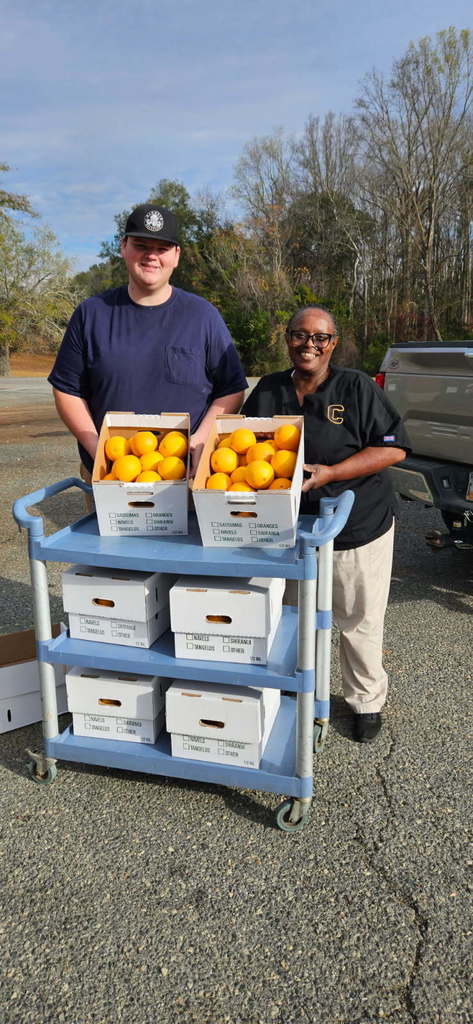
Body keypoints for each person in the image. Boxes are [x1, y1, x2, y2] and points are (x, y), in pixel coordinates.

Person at [242, 305, 411, 743]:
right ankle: (297, 688)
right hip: (286, 531)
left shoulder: (355, 387)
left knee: (358, 619)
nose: (309, 345)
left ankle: (365, 701)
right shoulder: (269, 389)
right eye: (300, 335)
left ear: (333, 343)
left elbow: (393, 449)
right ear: (287, 338)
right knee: (290, 617)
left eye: (320, 338)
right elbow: (240, 448)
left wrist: (333, 473)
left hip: (357, 527)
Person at [48, 204, 247, 481]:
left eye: (162, 249)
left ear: (176, 255)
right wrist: (96, 447)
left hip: (185, 474)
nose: (151, 256)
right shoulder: (91, 313)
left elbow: (231, 389)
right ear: (123, 247)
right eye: (141, 245)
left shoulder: (203, 315)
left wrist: (201, 439)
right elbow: (67, 389)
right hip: (109, 474)